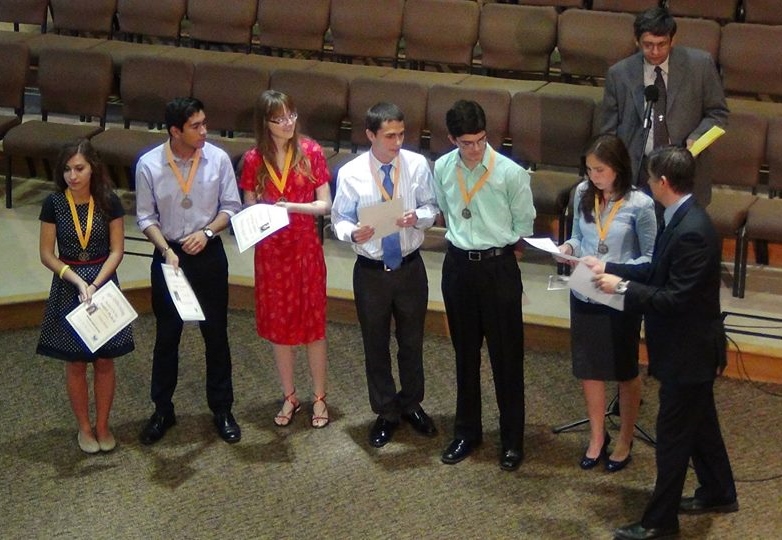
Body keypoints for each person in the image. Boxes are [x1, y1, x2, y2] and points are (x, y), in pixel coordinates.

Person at [588, 146, 737, 540]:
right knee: (700, 424)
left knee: (672, 438)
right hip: (687, 347)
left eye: (652, 178)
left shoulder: (692, 231)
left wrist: (622, 287)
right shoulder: (680, 216)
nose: (648, 184)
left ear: (664, 183)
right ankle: (719, 491)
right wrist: (609, 267)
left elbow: (675, 299)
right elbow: (658, 270)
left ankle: (659, 522)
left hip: (688, 352)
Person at [432, 100, 536, 472]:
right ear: (452, 139)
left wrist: (501, 253)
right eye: (466, 143)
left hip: (497, 268)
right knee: (465, 354)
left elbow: (524, 226)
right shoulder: (443, 167)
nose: (475, 149)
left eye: (480, 140)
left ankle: (512, 440)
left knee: (507, 358)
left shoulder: (511, 173)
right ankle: (467, 432)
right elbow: (446, 210)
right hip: (458, 267)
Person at [331, 102, 439, 448]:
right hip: (371, 272)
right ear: (370, 135)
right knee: (375, 344)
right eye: (390, 136)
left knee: (412, 342)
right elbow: (339, 219)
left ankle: (412, 403)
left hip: (409, 267)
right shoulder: (351, 173)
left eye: (401, 134)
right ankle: (386, 411)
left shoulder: (417, 165)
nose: (397, 142)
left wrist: (418, 217)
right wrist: (352, 233)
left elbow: (432, 207)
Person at [136, 97, 243, 445]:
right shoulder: (149, 165)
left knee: (216, 334)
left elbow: (231, 206)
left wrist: (208, 232)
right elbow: (145, 217)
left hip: (208, 253)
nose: (204, 131)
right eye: (196, 126)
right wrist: (166, 250)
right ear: (175, 131)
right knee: (167, 336)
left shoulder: (218, 159)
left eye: (204, 123)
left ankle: (222, 409)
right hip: (168, 256)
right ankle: (162, 409)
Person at [557, 134, 656, 472]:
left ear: (618, 168)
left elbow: (650, 260)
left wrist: (609, 267)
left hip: (618, 294)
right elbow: (576, 237)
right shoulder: (582, 192)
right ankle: (597, 436)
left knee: (624, 370)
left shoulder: (640, 205)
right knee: (589, 369)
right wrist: (567, 249)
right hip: (585, 291)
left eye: (600, 170)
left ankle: (625, 438)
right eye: (589, 169)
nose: (593, 176)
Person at [239, 90, 332, 428]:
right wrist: (260, 216)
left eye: (291, 115)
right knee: (281, 329)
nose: (288, 123)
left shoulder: (311, 151)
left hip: (304, 248)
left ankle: (319, 397)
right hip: (272, 253)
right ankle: (289, 395)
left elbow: (325, 204)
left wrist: (291, 207)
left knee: (313, 326)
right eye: (279, 119)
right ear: (265, 123)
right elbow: (249, 206)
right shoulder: (253, 159)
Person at [37, 139, 135, 454]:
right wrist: (78, 280)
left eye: (79, 168)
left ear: (93, 168)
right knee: (76, 361)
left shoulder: (108, 200)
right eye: (67, 169)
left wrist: (95, 284)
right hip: (69, 283)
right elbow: (46, 254)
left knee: (105, 360)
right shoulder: (54, 203)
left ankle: (103, 425)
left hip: (102, 284)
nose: (73, 176)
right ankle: (84, 427)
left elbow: (117, 251)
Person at [601, 6, 728, 198]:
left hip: (684, 171)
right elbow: (609, 132)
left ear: (673, 40)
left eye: (662, 44)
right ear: (636, 41)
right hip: (639, 172)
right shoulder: (619, 74)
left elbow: (718, 113)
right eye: (648, 45)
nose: (655, 51)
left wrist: (697, 137)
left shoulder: (700, 66)